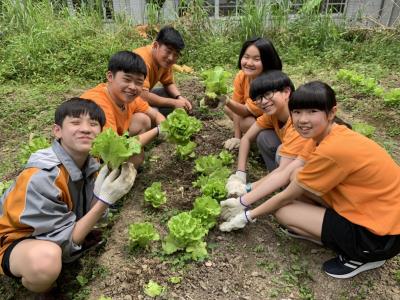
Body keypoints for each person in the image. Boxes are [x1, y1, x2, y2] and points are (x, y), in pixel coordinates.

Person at [220, 81, 400, 279]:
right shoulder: (325, 134)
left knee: (284, 212)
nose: (302, 119)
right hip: (372, 210)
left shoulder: (333, 149)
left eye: (312, 111)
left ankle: (363, 256)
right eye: (297, 112)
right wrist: (243, 198)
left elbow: (287, 196)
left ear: (331, 112)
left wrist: (247, 215)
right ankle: (322, 228)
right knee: (296, 176)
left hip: (380, 236)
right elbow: (284, 173)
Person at [0, 98, 137, 293]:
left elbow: (92, 218)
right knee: (46, 261)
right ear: (57, 131)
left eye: (93, 124)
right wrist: (104, 202)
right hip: (13, 238)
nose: (85, 129)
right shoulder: (43, 176)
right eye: (75, 122)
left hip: (50, 231)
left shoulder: (91, 164)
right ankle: (44, 290)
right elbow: (63, 245)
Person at [225, 70, 309, 198]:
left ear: (286, 92)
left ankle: (285, 189)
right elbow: (247, 138)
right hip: (291, 161)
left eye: (268, 94)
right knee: (264, 137)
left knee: (281, 152)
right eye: (258, 98)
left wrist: (246, 189)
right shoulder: (272, 115)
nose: (263, 102)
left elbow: (284, 169)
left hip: (310, 169)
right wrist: (240, 174)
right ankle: (276, 184)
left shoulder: (299, 122)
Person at [81, 51, 165, 167]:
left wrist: (165, 125)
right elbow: (113, 150)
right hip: (90, 159)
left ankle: (131, 166)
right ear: (110, 77)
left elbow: (155, 115)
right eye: (127, 80)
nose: (132, 87)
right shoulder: (98, 103)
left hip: (114, 144)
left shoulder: (129, 98)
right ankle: (118, 171)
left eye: (139, 82)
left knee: (143, 119)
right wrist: (158, 130)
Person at [223, 37, 282, 156]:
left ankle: (263, 144)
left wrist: (226, 100)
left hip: (274, 124)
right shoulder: (242, 76)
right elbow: (237, 106)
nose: (249, 63)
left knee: (244, 122)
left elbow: (243, 111)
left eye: (256, 59)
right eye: (246, 57)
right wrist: (237, 138)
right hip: (257, 116)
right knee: (229, 108)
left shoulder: (268, 84)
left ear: (267, 61)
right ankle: (248, 139)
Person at [134, 25, 192, 116]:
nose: (171, 58)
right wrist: (173, 103)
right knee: (150, 114)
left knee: (169, 94)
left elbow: (168, 83)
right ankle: (154, 122)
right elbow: (142, 96)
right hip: (130, 100)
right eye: (168, 51)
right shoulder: (141, 59)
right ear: (156, 45)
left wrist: (179, 97)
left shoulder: (164, 61)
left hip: (141, 95)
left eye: (176, 55)